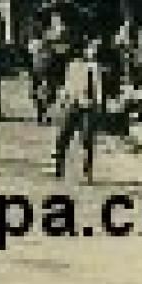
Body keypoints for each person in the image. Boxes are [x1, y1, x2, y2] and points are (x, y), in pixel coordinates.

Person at [54, 35, 108, 182]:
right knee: (64, 135)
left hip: (88, 106)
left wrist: (98, 105)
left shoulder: (95, 68)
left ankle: (87, 169)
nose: (93, 52)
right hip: (73, 104)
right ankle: (59, 167)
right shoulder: (73, 66)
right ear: (84, 50)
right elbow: (67, 85)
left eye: (95, 50)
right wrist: (63, 100)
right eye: (91, 48)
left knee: (87, 138)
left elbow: (98, 88)